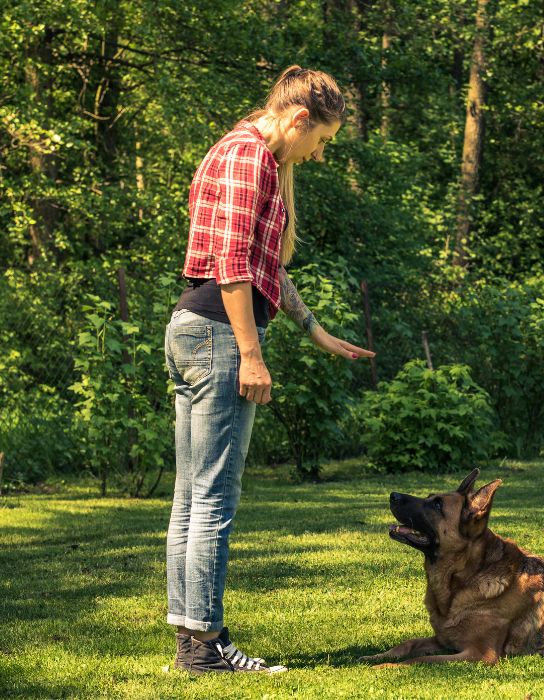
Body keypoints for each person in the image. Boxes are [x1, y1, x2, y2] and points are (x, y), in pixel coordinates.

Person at [163, 65, 375, 675]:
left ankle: (193, 642)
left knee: (192, 497)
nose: (319, 154)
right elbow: (233, 266)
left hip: (202, 330)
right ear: (300, 119)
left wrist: (314, 330)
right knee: (212, 499)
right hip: (218, 335)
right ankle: (206, 646)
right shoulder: (247, 156)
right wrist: (251, 356)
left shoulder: (251, 154)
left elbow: (268, 264)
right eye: (322, 140)